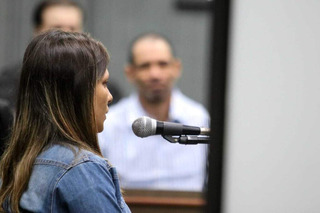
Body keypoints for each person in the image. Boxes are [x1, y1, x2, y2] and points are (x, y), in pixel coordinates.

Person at [0, 30, 131, 213]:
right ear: (78, 93)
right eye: (104, 83)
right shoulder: (82, 169)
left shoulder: (15, 164)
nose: (109, 97)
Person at [98, 33, 210, 191]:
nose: (155, 74)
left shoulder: (199, 118)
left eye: (163, 64)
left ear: (176, 68)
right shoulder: (108, 124)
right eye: (145, 66)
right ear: (130, 73)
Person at [0, 0, 122, 111]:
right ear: (37, 31)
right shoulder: (7, 86)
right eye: (57, 28)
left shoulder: (102, 88)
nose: (66, 34)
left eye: (73, 28)